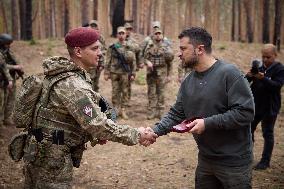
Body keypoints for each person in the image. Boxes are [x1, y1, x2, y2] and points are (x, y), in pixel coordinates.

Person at [22, 27, 157, 189]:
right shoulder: (74, 85)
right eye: (95, 48)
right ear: (78, 51)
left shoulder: (62, 74)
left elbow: (65, 116)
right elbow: (97, 125)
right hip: (51, 160)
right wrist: (137, 134)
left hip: (39, 151)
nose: (100, 53)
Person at [150, 27, 255, 188]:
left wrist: (207, 123)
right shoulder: (188, 81)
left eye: (183, 48)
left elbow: (245, 112)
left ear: (200, 49)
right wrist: (155, 131)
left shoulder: (230, 74)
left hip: (234, 162)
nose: (179, 54)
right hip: (206, 160)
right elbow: (176, 114)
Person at [246, 44, 284, 170]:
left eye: (268, 57)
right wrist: (249, 76)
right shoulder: (259, 67)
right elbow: (246, 84)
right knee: (248, 130)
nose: (265, 59)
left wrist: (263, 78)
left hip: (270, 107)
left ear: (275, 55)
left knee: (267, 133)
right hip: (256, 105)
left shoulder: (280, 69)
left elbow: (276, 86)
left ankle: (265, 161)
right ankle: (247, 156)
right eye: (263, 57)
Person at [104, 27, 136, 120]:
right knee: (115, 92)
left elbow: (133, 61)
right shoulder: (112, 47)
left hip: (125, 73)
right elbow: (108, 59)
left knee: (125, 91)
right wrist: (106, 72)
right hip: (114, 72)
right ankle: (115, 110)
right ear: (117, 35)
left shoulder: (129, 46)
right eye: (119, 33)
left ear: (126, 34)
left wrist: (133, 73)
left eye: (123, 33)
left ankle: (123, 110)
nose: (121, 35)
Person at [144, 28, 174, 120]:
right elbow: (144, 58)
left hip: (162, 74)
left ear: (162, 36)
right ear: (153, 35)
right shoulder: (149, 46)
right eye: (156, 33)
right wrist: (147, 62)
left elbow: (170, 63)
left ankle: (160, 112)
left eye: (159, 33)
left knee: (161, 93)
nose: (157, 35)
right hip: (151, 73)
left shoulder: (167, 48)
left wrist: (169, 75)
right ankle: (152, 111)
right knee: (151, 93)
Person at [0, 33, 23, 125]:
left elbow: (14, 60)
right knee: (2, 101)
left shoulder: (7, 51)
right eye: (7, 44)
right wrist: (15, 67)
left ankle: (7, 119)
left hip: (9, 78)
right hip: (3, 79)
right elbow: (3, 66)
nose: (8, 46)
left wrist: (19, 69)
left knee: (11, 99)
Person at [83, 20, 107, 92]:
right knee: (89, 82)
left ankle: (96, 97)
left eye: (95, 26)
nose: (93, 28)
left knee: (96, 83)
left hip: (98, 63)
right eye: (92, 26)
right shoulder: (85, 37)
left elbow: (105, 50)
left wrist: (102, 63)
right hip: (89, 64)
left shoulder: (101, 38)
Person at [124, 23, 141, 106]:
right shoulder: (120, 39)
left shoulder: (134, 41)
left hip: (131, 65)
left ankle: (127, 100)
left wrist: (138, 64)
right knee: (121, 83)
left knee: (129, 82)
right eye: (126, 29)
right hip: (121, 65)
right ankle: (122, 99)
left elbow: (138, 52)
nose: (128, 31)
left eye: (129, 29)